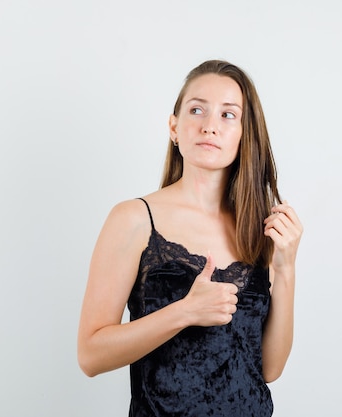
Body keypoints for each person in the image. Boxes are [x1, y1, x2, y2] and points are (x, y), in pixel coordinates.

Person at [77, 59, 303, 416]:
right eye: (197, 109)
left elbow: (270, 369)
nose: (210, 126)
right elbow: (90, 355)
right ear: (174, 126)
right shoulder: (134, 219)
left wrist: (286, 266)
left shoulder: (260, 231)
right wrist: (184, 312)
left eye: (228, 115)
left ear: (245, 134)